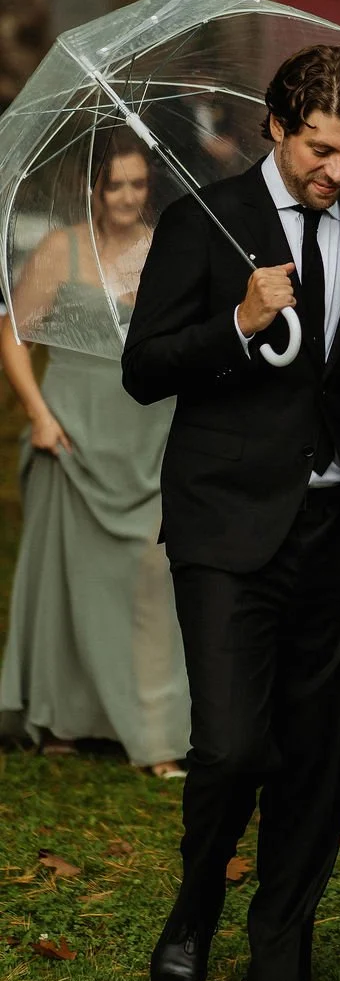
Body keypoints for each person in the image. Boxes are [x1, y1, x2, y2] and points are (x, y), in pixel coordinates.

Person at [122, 44, 340, 981]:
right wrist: (238, 322)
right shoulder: (201, 222)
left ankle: (280, 965)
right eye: (320, 151)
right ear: (276, 127)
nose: (336, 173)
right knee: (232, 746)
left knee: (316, 757)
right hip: (225, 524)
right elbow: (145, 369)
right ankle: (193, 911)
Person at [0, 132, 189, 776]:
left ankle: (155, 732)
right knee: (68, 580)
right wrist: (40, 416)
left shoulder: (167, 249)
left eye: (139, 184)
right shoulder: (61, 249)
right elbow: (14, 335)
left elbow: (197, 338)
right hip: (73, 430)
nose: (129, 198)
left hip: (148, 432)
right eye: (116, 185)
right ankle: (62, 719)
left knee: (153, 582)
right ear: (94, 189)